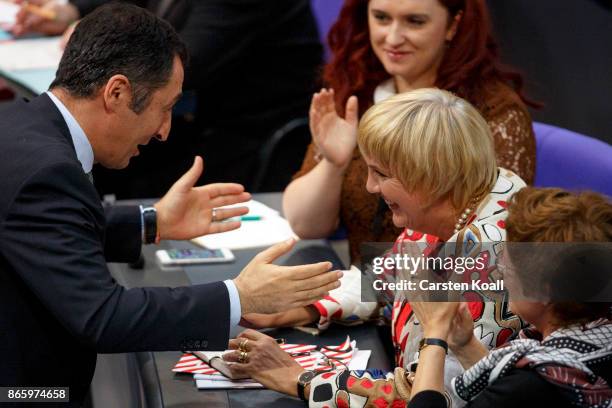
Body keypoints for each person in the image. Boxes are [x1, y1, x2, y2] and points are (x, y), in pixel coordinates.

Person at [0, 5, 340, 405]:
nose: (164, 131)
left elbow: (44, 230)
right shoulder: (50, 171)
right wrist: (240, 296)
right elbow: (103, 317)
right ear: (117, 92)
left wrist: (152, 220)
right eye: (165, 108)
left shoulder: (20, 124)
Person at [220, 89, 529, 407]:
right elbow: (382, 279)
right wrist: (294, 307)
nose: (369, 186)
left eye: (380, 173)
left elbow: (434, 394)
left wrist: (302, 380)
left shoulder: (491, 257)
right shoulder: (459, 198)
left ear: (432, 175)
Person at [283, 0, 537, 263]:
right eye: (381, 18)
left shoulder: (494, 114)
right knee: (298, 265)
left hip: (440, 292)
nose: (393, 38)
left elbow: (490, 249)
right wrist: (334, 165)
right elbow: (306, 225)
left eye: (415, 22)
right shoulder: (356, 92)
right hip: (361, 290)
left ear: (454, 24)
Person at [14, 0, 323, 196]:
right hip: (197, 122)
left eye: (376, 15)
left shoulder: (359, 147)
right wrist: (75, 10)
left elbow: (180, 64)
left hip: (241, 140)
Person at [408, 187, 612, 407]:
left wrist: (434, 334)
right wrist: (465, 345)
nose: (502, 275)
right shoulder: (594, 347)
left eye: (508, 267)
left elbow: (514, 393)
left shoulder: (536, 383)